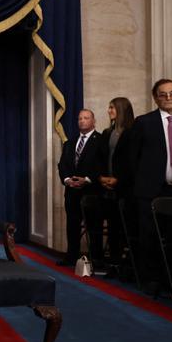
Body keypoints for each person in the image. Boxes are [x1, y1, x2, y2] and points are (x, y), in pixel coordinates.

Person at [127, 79, 172, 290]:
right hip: (151, 190)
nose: (168, 97)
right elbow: (132, 158)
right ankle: (152, 279)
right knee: (150, 237)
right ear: (155, 97)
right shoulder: (143, 123)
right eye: (162, 94)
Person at [57, 109, 105, 267]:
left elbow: (102, 164)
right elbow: (62, 164)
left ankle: (96, 259)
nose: (82, 121)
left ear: (93, 121)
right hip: (72, 192)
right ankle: (71, 257)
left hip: (91, 192)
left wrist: (87, 179)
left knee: (94, 227)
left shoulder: (101, 140)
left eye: (86, 118)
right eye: (80, 118)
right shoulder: (70, 142)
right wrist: (67, 180)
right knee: (72, 225)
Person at [98, 97, 135, 264]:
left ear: (121, 109)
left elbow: (132, 162)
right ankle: (114, 263)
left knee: (124, 229)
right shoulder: (107, 132)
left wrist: (118, 179)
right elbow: (101, 158)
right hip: (107, 189)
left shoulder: (132, 132)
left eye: (112, 107)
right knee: (112, 227)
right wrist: (101, 177)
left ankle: (126, 264)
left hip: (125, 189)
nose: (109, 111)